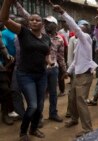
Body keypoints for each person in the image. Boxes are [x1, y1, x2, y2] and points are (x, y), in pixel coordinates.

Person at [0, 0, 53, 140]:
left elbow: (46, 53)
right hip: (25, 75)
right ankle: (23, 132)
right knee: (33, 106)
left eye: (38, 20)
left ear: (42, 23)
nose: (35, 22)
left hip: (41, 75)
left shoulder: (47, 38)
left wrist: (49, 62)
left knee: (40, 106)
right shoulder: (23, 32)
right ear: (28, 23)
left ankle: (34, 129)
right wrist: (7, 3)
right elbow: (4, 19)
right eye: (32, 20)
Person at [51, 4, 98, 138]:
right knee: (71, 97)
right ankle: (73, 119)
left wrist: (62, 12)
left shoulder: (86, 39)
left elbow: (76, 28)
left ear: (86, 31)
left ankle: (88, 129)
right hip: (77, 75)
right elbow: (76, 62)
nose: (79, 30)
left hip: (85, 76)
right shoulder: (78, 44)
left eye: (83, 28)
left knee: (81, 101)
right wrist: (68, 71)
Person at [43, 16, 67, 122]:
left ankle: (53, 113)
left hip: (54, 69)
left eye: (49, 23)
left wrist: (65, 70)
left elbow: (61, 57)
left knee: (53, 93)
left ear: (55, 25)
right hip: (41, 69)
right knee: (41, 94)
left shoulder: (60, 39)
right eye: (45, 23)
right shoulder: (41, 36)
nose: (46, 25)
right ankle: (38, 118)